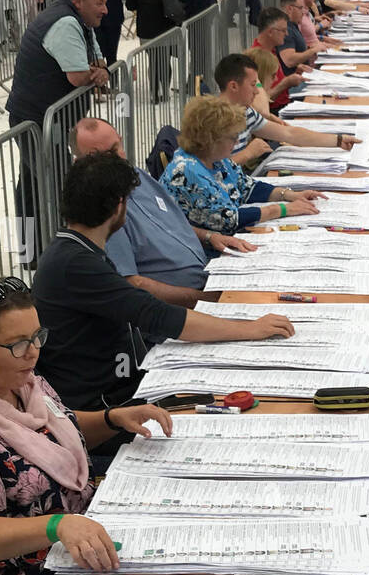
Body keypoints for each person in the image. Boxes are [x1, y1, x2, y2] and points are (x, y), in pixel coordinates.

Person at [0, 275, 173, 575]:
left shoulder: (24, 384)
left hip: (81, 534)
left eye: (37, 337)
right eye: (18, 344)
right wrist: (56, 526)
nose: (34, 352)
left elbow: (57, 430)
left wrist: (112, 418)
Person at [32, 151, 296, 411]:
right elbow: (156, 314)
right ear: (119, 206)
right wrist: (249, 329)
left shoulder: (75, 250)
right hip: (107, 403)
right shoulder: (77, 265)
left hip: (123, 382)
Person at [70, 116, 258, 304]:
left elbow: (170, 224)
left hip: (208, 275)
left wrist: (210, 237)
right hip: (181, 306)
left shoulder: (137, 176)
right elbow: (132, 285)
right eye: (107, 154)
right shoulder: (101, 211)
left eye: (116, 147)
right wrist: (206, 300)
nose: (118, 157)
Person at [162, 95, 320, 235]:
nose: (237, 142)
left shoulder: (214, 157)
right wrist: (283, 209)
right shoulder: (188, 172)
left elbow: (245, 187)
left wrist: (290, 195)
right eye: (232, 137)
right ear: (211, 139)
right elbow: (229, 221)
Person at [214, 54, 352, 169]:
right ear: (233, 86)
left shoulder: (246, 112)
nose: (257, 91)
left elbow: (289, 133)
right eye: (253, 85)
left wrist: (338, 140)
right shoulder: (212, 120)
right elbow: (209, 170)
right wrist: (247, 154)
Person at [6, 0, 108, 131]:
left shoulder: (81, 19)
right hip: (37, 118)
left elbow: (98, 62)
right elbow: (78, 77)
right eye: (99, 4)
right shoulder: (66, 23)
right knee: (43, 157)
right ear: (79, 2)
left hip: (52, 114)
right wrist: (97, 73)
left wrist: (100, 70)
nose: (105, 10)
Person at [251, 8, 301, 110]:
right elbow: (261, 99)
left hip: (284, 105)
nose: (286, 34)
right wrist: (286, 83)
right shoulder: (258, 58)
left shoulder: (272, 50)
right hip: (276, 110)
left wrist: (294, 74)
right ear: (270, 32)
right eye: (283, 30)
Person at [277, 0, 320, 72]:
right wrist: (313, 51)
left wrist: (311, 49)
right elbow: (289, 60)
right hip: (294, 81)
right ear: (290, 9)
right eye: (300, 8)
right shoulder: (286, 29)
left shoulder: (293, 25)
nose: (303, 12)